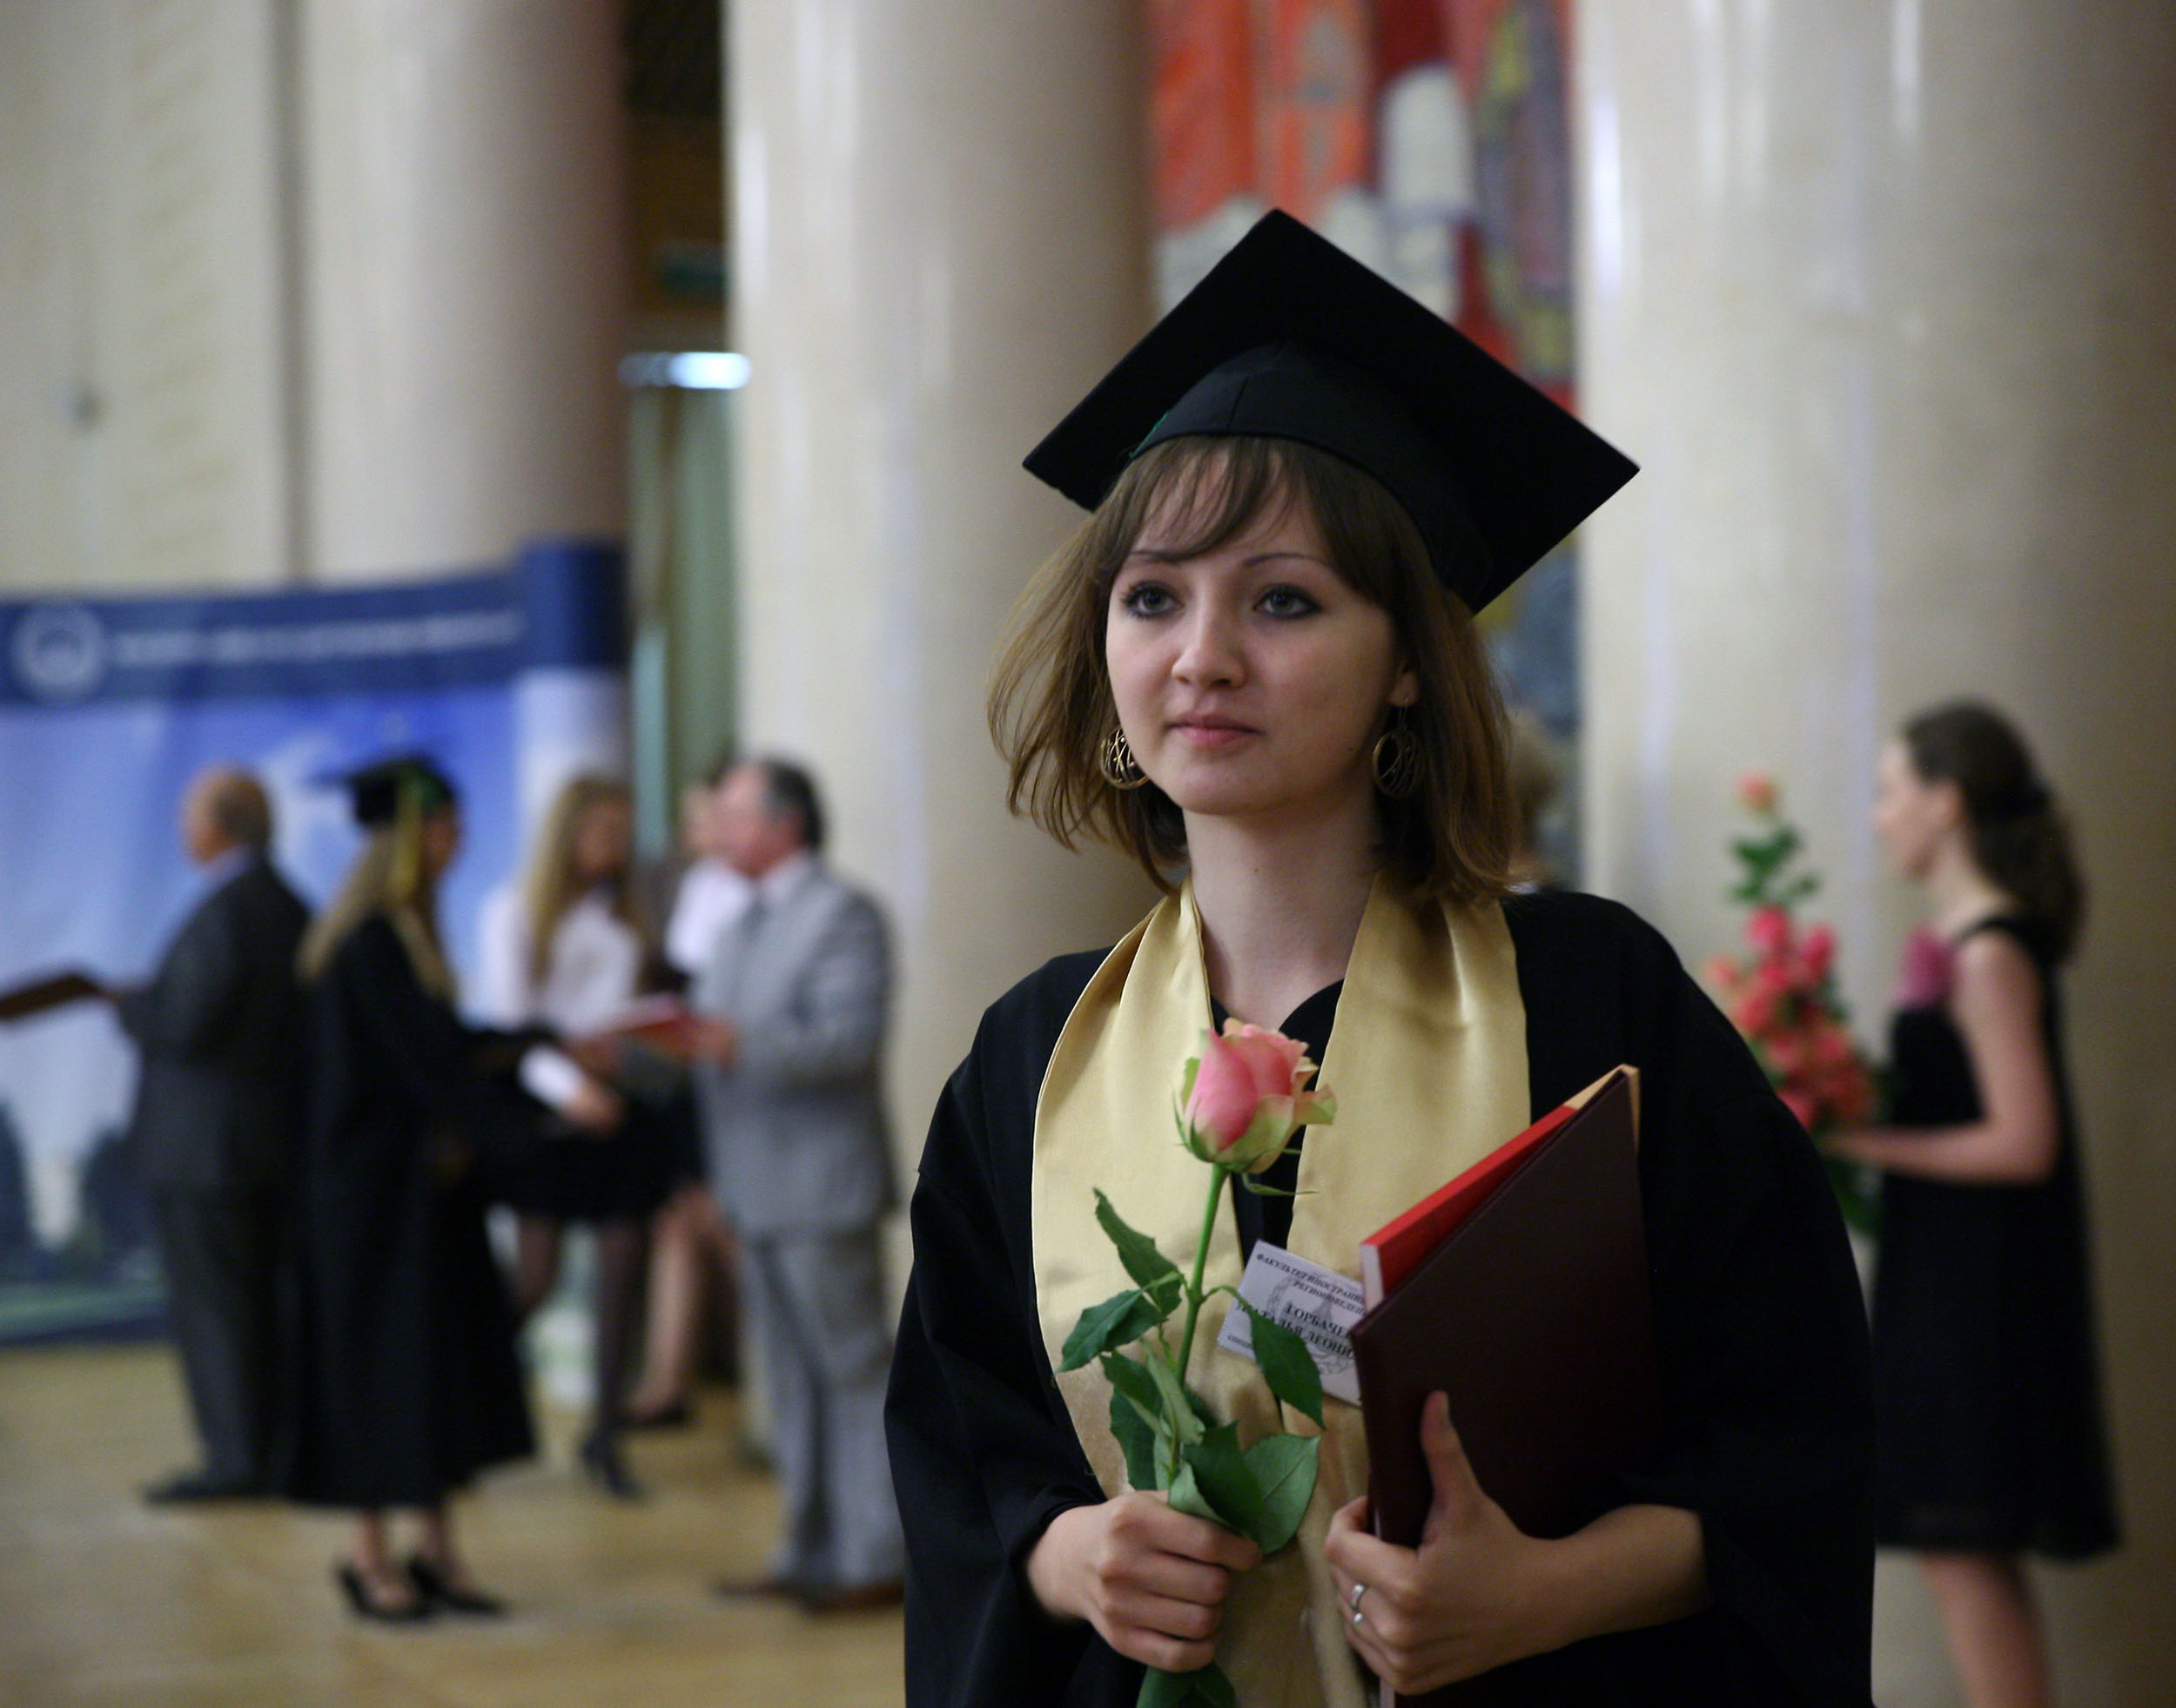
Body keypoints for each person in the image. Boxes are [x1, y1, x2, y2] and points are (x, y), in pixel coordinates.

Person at [884, 211, 1876, 1707]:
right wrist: (1068, 1557)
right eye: (1152, 595)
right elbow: (968, 1466)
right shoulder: (1028, 1067)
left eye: (1284, 599)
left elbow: (1800, 1448)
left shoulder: (1595, 1012)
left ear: (1408, 656)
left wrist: (1544, 1594)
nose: (1200, 654)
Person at [1829, 703, 2118, 1708]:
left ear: (1944, 804)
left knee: (1966, 1552)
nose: (1878, 816)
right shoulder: (1967, 941)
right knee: (1967, 1556)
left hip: (1978, 1295)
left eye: (1890, 790)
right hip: (1950, 1275)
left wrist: (1862, 1141)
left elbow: (2022, 1139)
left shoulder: (1990, 954)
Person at [285, 756, 552, 1621]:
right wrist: (538, 1121)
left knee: (434, 1369)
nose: (457, 839)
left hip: (418, 1203)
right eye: (442, 826)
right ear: (405, 840)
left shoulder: (409, 934)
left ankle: (436, 1547)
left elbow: (449, 1045)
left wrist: (534, 1045)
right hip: (369, 1209)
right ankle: (369, 1557)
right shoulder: (369, 943)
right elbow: (429, 1068)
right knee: (378, 1373)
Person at [687, 757, 906, 1610]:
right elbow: (713, 1031)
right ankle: (805, 1549)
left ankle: (877, 1555)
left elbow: (847, 1042)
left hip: (821, 1186)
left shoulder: (841, 914)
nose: (715, 828)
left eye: (731, 812)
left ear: (784, 824)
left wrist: (730, 1044)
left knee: (852, 1369)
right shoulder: (741, 922)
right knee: (787, 1375)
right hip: (753, 1185)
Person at [473, 773, 674, 1499]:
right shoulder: (513, 911)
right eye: (600, 834)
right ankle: (461, 1405)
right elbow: (511, 1027)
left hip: (618, 1105)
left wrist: (629, 1053)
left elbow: (618, 1016)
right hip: (543, 1105)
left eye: (622, 837)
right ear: (566, 834)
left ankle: (607, 1436)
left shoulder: (626, 916)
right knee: (536, 1275)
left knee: (625, 1260)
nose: (612, 850)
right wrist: (571, 1086)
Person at [113, 766, 308, 1502]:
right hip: (261, 1147)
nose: (182, 828)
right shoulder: (287, 904)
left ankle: (236, 1460)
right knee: (256, 1307)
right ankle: (266, 1449)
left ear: (218, 826)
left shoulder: (228, 908)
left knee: (218, 1313)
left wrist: (135, 1007)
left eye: (189, 814)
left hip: (207, 1154)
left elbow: (187, 1022)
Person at [623, 762, 749, 1430]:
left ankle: (760, 1381)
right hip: (690, 1080)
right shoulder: (697, 882)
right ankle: (666, 1380)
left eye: (712, 818)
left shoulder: (751, 891)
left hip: (730, 1082)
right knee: (680, 1222)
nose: (700, 832)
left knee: (721, 1227)